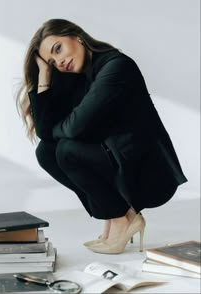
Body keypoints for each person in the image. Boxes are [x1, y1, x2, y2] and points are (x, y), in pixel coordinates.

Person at [15, 18, 188, 254]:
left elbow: (75, 128)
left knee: (66, 150)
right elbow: (47, 134)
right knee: (46, 152)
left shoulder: (116, 67)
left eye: (58, 49)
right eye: (53, 62)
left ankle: (120, 217)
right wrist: (44, 75)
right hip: (119, 158)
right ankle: (118, 215)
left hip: (147, 170)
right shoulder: (80, 75)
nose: (60, 61)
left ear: (76, 36)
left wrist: (63, 128)